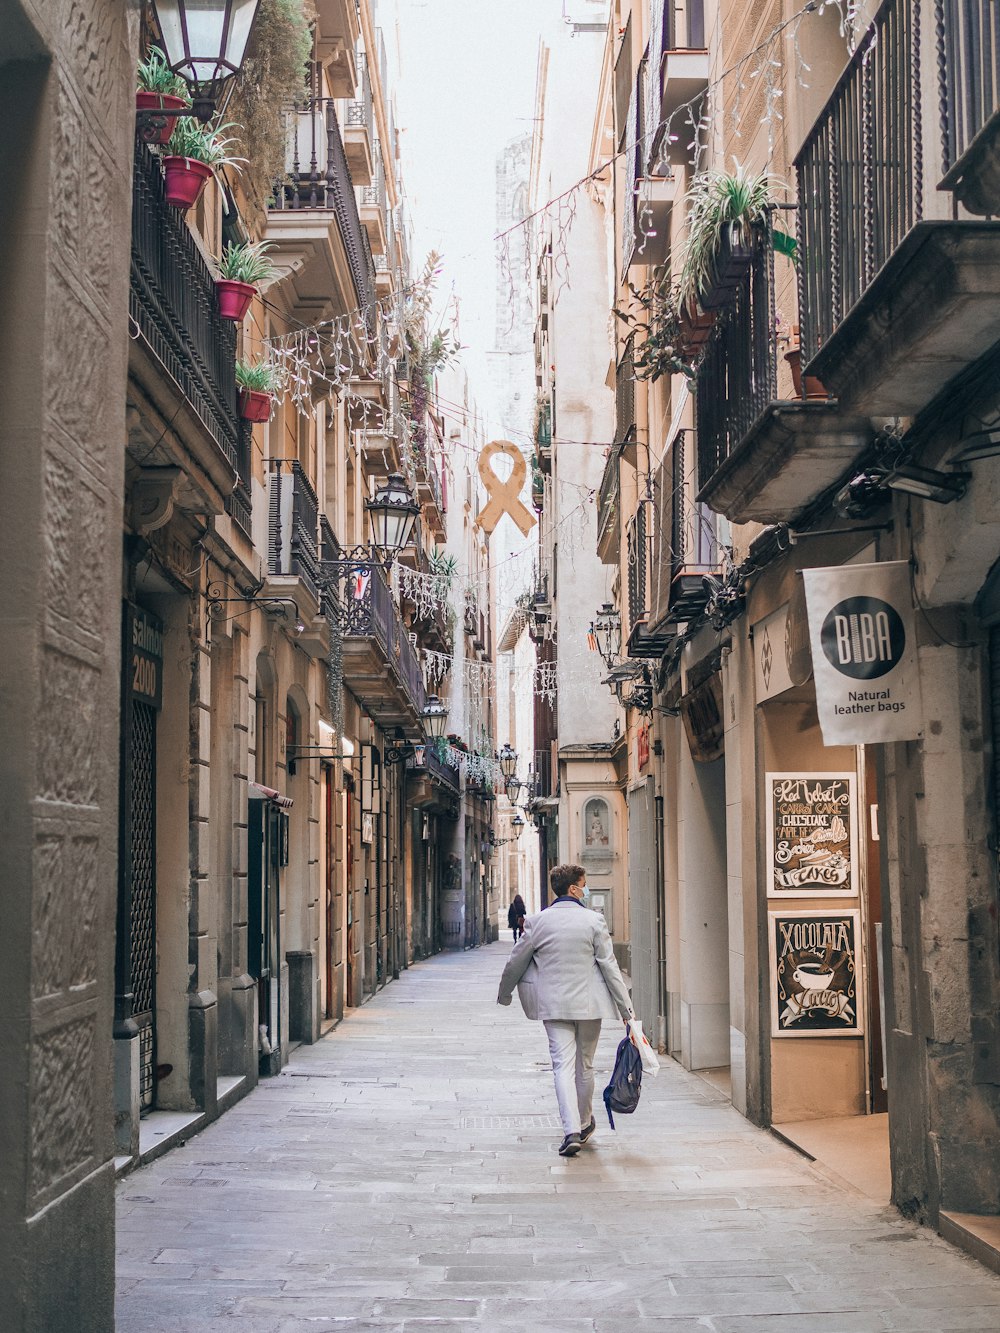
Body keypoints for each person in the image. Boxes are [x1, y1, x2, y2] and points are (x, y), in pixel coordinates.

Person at [497, 863, 634, 1157]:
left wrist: (505, 993)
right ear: (573, 889)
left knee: (562, 1065)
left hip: (554, 1005)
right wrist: (626, 1009)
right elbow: (609, 967)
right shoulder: (594, 921)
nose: (586, 889)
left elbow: (515, 962)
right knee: (584, 1065)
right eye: (583, 884)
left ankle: (570, 1129)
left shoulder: (536, 922)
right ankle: (585, 1123)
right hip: (589, 1005)